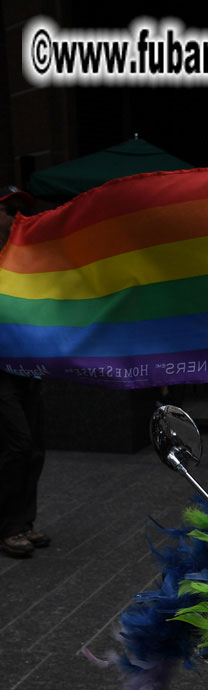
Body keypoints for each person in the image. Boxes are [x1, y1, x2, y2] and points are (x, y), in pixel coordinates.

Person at [0, 187, 50, 558]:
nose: (18, 216)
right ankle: (8, 528)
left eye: (23, 210)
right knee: (17, 444)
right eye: (10, 209)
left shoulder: (29, 258)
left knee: (34, 448)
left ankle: (23, 524)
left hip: (27, 365)